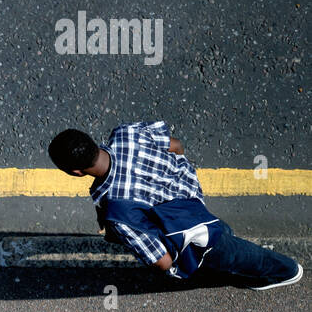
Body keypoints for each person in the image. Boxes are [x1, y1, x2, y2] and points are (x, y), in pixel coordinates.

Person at [47, 122, 302, 290]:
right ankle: (224, 234)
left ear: (77, 172)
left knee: (233, 256)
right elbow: (177, 145)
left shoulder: (117, 211)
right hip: (192, 199)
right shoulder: (127, 134)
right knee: (220, 231)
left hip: (190, 235)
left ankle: (286, 271)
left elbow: (162, 261)